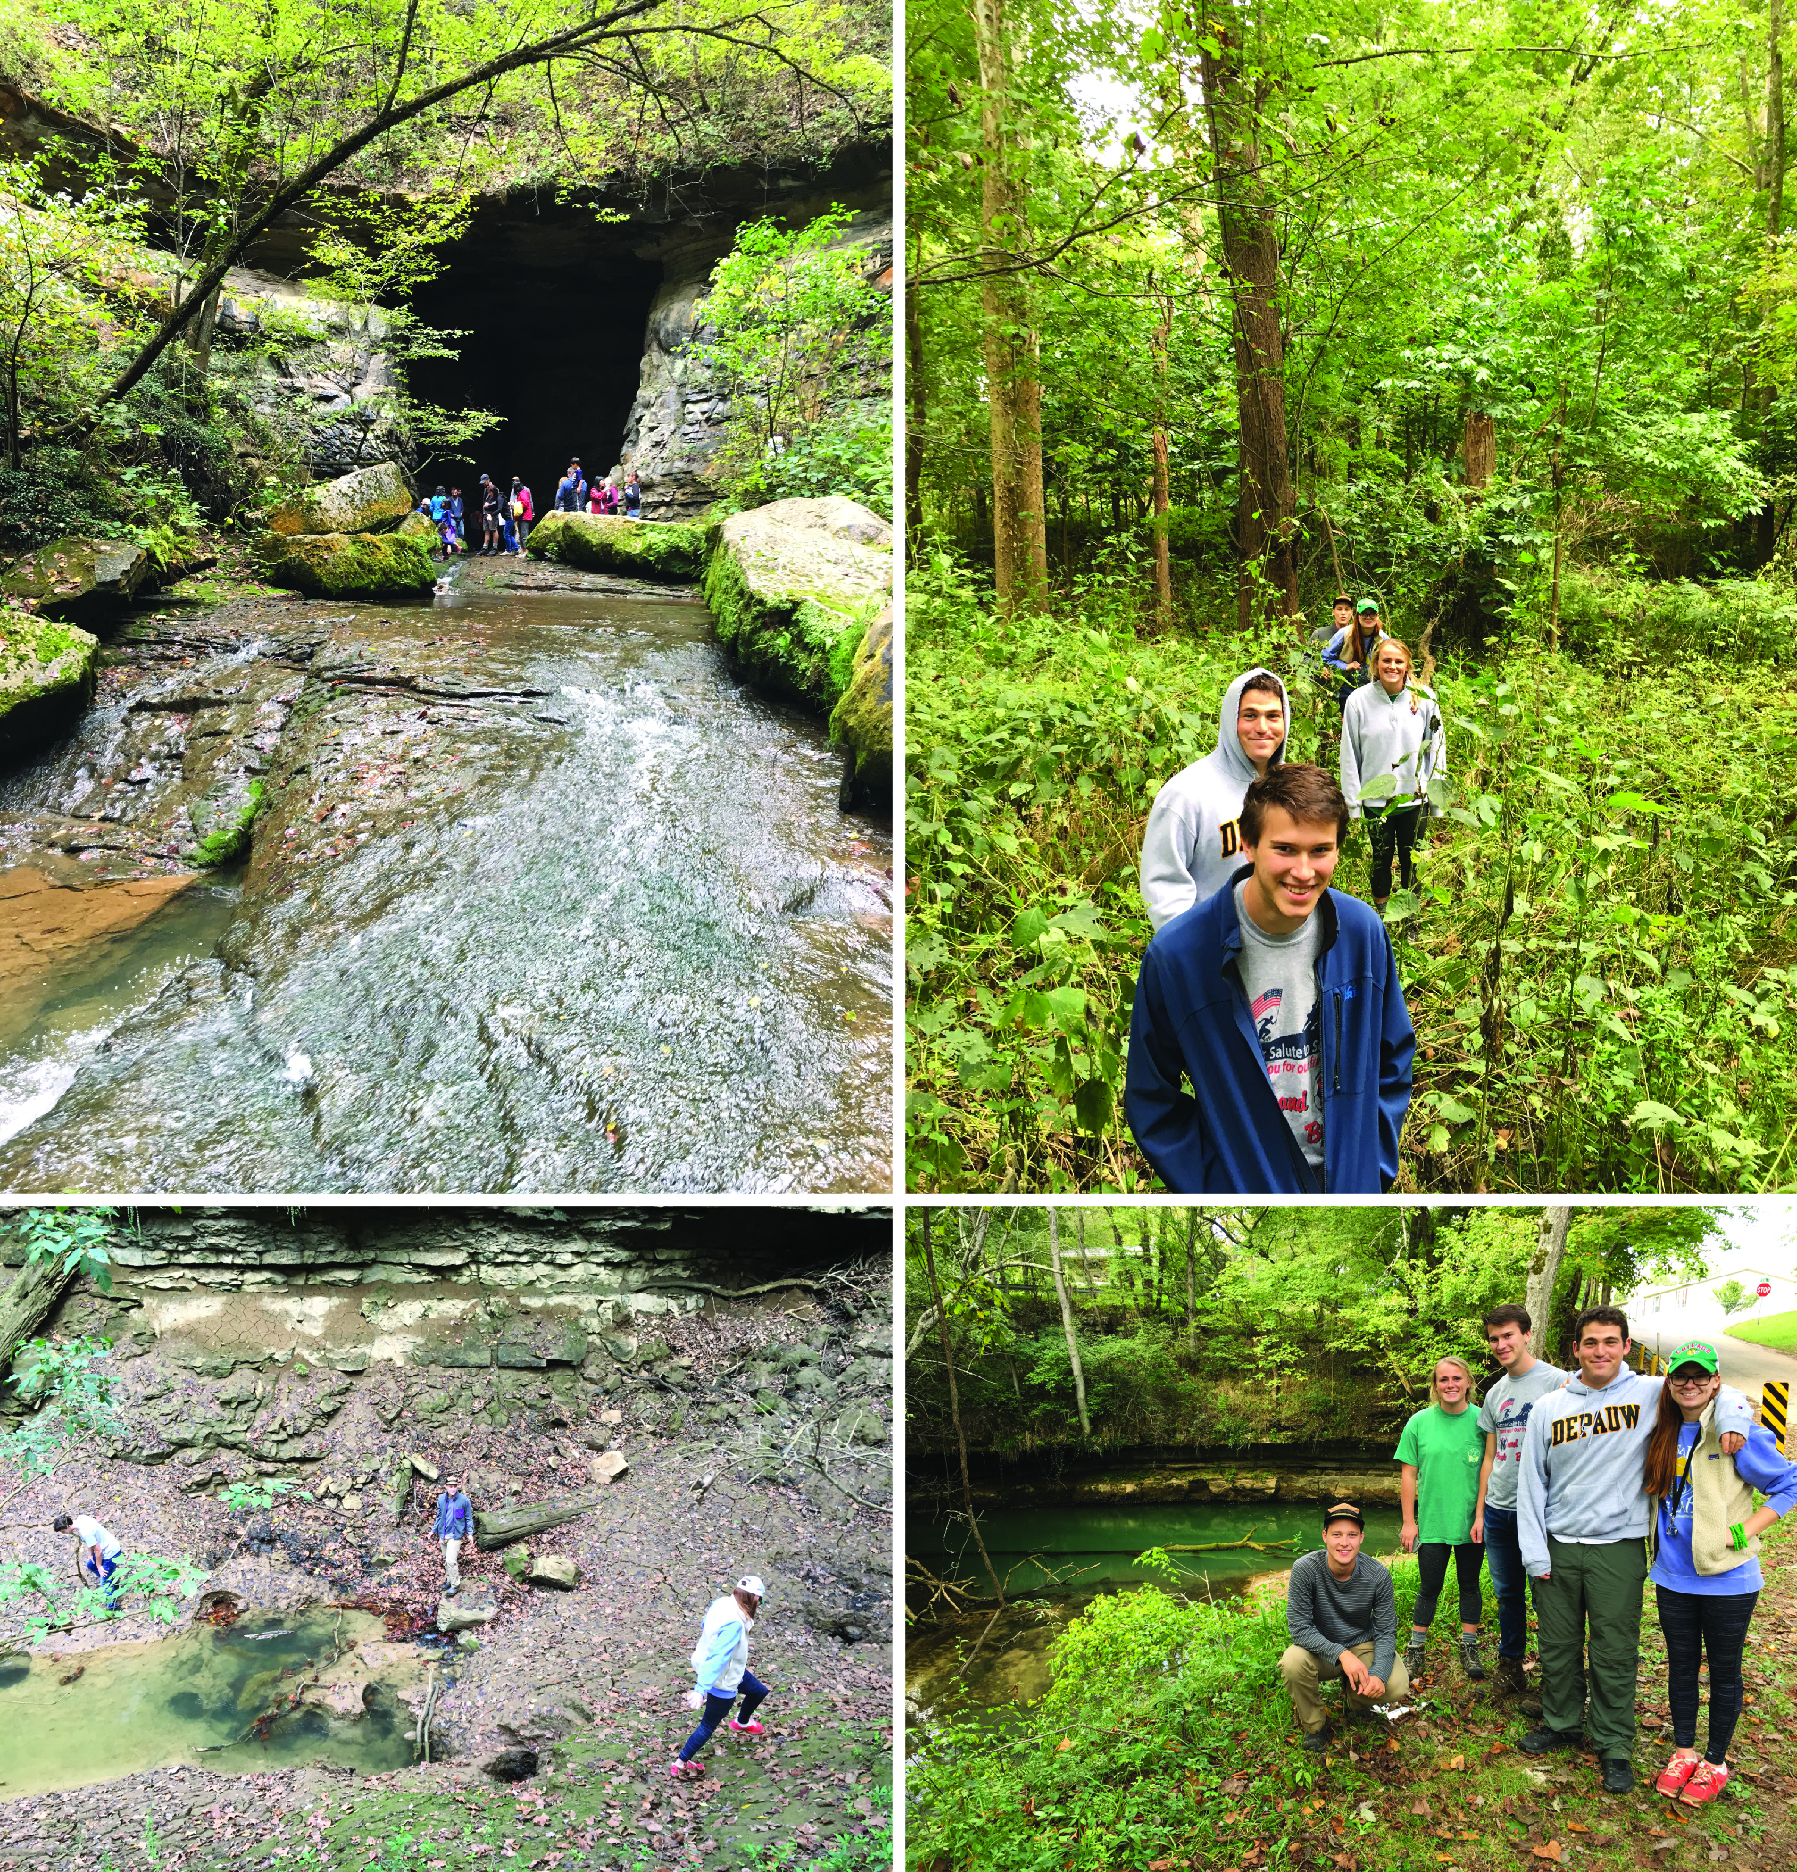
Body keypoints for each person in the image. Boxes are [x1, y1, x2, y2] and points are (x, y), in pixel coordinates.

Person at [1124, 764, 1414, 1193]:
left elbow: (1393, 1056)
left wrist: (1370, 1166)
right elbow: (1151, 1099)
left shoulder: (1361, 933)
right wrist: (1215, 1184)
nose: (1303, 871)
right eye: (1284, 849)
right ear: (1249, 845)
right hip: (1251, 1185)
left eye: (1320, 850)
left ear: (1338, 850)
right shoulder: (1180, 957)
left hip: (1350, 1184)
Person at [1517, 1307, 1752, 1794]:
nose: (1599, 1351)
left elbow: (1712, 1390)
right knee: (1558, 1646)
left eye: (1609, 1341)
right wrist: (1535, 1552)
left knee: (1614, 1650)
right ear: (1576, 1349)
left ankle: (1614, 1742)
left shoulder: (1649, 1393)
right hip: (1558, 1545)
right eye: (1589, 1342)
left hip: (1618, 1548)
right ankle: (1562, 1723)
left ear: (1626, 1346)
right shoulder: (1547, 1409)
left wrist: (1733, 1416)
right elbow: (1530, 1485)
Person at [1643, 1340, 1797, 1806]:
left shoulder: (1738, 1433)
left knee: (1725, 1671)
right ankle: (1685, 1752)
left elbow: (1788, 1484)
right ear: (1669, 1383)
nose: (1689, 1384)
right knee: (1681, 1667)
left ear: (1714, 1383)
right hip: (1672, 1576)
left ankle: (1715, 1761)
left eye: (1699, 1377)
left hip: (1729, 1578)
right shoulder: (1660, 1429)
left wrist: (1743, 1531)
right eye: (1680, 1377)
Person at [1469, 1304, 1567, 1708]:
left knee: (1548, 1593)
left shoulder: (1559, 1382)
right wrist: (1480, 1512)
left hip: (1542, 1511)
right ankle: (1510, 1668)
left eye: (1507, 1335)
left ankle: (1557, 1679)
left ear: (1527, 1334)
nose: (1500, 1344)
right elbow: (1491, 1457)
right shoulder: (1495, 1393)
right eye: (1493, 1338)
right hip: (1498, 1509)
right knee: (1507, 1593)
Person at [1140, 669, 1290, 933]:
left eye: (1272, 716)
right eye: (1250, 715)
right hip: (1211, 949)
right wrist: (1191, 952)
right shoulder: (1186, 795)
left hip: (1274, 944)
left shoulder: (1289, 788)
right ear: (1231, 720)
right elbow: (1164, 890)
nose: (1263, 728)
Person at [1280, 1500, 1408, 1753]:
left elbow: (1385, 1630)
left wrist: (1379, 1674)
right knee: (1292, 1662)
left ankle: (1356, 1702)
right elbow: (1299, 1628)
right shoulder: (1305, 1569)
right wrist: (1341, 1654)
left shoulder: (1377, 1574)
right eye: (1337, 1534)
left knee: (1396, 1684)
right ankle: (1315, 1725)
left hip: (1362, 1643)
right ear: (1325, 1536)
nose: (1344, 1542)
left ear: (1361, 1537)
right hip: (1321, 1649)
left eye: (1351, 1535)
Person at [1396, 1355, 1487, 1683]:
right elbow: (1408, 1476)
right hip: (1432, 1523)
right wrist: (1410, 1521)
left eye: (1457, 1379)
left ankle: (1469, 1646)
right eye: (1443, 1380)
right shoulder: (1418, 1423)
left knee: (1469, 1585)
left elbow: (1490, 1473)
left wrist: (1481, 1516)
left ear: (1468, 1383)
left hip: (1471, 1523)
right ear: (1435, 1386)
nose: (1450, 1385)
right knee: (1429, 1586)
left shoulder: (1482, 1421)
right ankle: (1416, 1647)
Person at [1340, 640, 1446, 914]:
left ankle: (1409, 920)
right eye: (1386, 661)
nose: (1392, 666)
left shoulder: (1424, 699)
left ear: (1407, 665)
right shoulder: (1358, 701)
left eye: (1399, 661)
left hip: (1414, 799)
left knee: (1412, 861)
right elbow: (1350, 754)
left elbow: (1435, 748)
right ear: (1375, 664)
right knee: (1381, 859)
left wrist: (1437, 799)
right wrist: (1353, 803)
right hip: (1376, 801)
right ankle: (1383, 918)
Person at [672, 1574, 770, 1778]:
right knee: (708, 1725)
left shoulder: (722, 1602)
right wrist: (701, 1689)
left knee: (759, 1691)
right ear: (753, 1599)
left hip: (725, 1669)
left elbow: (705, 1624)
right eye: (759, 1600)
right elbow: (718, 1657)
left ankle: (741, 1722)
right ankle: (681, 1762)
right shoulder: (735, 1624)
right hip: (721, 1679)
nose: (759, 1605)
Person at [1322, 599, 1390, 711]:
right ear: (1358, 616)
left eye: (1371, 614)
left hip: (1372, 694)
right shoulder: (1345, 634)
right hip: (1344, 692)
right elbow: (1324, 658)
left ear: (1377, 616)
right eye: (1364, 614)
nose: (1368, 617)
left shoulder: (1383, 639)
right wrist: (1345, 666)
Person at [53, 1511, 123, 1611]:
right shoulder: (81, 1518)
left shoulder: (85, 1532)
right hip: (105, 1546)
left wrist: (99, 1566)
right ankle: (112, 1579)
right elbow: (91, 1543)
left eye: (63, 1531)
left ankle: (113, 1608)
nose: (63, 1533)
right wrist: (90, 1554)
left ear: (68, 1526)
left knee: (104, 1583)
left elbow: (98, 1551)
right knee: (91, 1564)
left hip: (109, 1552)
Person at [433, 1475, 472, 1595]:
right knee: (446, 1560)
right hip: (443, 1534)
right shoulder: (441, 1499)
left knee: (451, 1560)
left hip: (456, 1535)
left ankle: (456, 1585)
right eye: (450, 1486)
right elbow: (439, 1517)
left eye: (455, 1486)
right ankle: (449, 1580)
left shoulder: (464, 1500)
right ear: (446, 1487)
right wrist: (433, 1530)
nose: (453, 1489)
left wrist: (470, 1533)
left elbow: (468, 1518)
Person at [480, 476, 503, 556]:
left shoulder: (494, 489)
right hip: (485, 512)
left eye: (484, 481)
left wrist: (489, 505)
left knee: (493, 529)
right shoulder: (485, 489)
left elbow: (497, 502)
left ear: (488, 480)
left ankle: (495, 547)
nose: (483, 483)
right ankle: (485, 547)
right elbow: (484, 500)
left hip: (492, 512)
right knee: (486, 529)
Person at [511, 477, 533, 551]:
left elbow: (526, 503)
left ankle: (526, 551)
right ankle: (523, 551)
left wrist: (516, 505)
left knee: (524, 535)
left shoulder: (523, 493)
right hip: (521, 517)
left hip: (525, 516)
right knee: (521, 535)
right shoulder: (520, 493)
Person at [449, 487, 465, 552]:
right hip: (453, 518)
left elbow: (462, 508)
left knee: (462, 532)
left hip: (460, 518)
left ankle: (460, 545)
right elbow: (447, 508)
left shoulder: (460, 500)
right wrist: (450, 514)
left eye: (455, 493)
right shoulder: (449, 500)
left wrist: (461, 513)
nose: (454, 494)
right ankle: (455, 547)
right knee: (454, 531)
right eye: (453, 493)